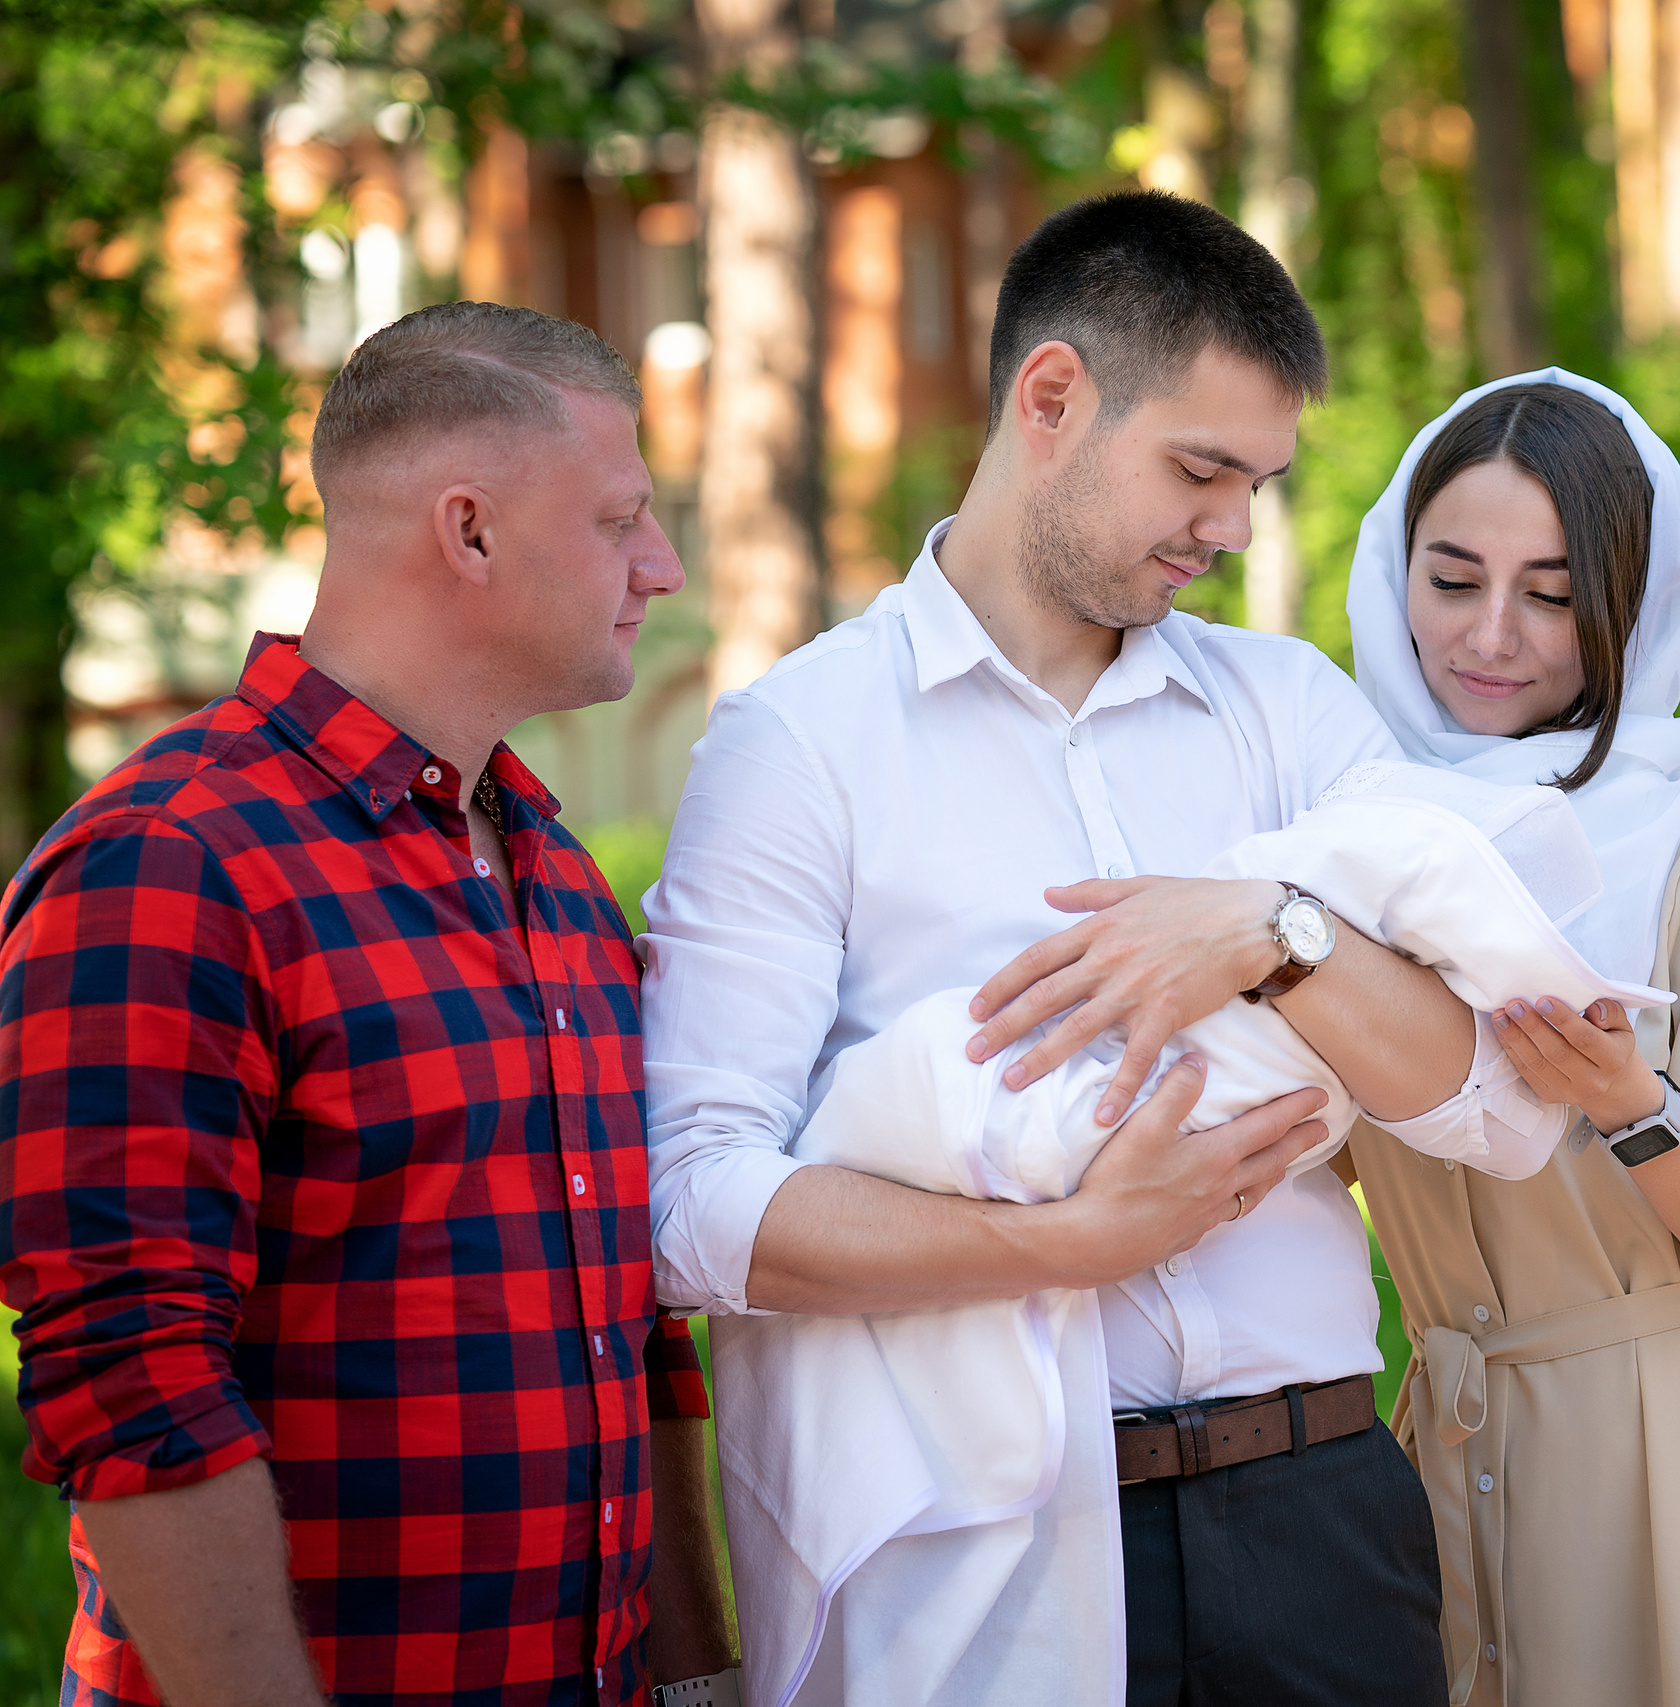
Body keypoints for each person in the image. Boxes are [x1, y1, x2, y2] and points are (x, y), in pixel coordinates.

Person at [644, 191, 1571, 1707]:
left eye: (1258, 483)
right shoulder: (797, 745)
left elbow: (1495, 1106)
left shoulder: (1292, 711)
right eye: (1201, 470)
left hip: (1321, 1509)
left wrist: (1272, 936)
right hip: (981, 1548)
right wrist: (1061, 1248)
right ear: (1053, 399)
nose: (1231, 528)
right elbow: (690, 1204)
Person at [0, 302, 734, 1707]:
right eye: (621, 519)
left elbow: (639, 1342)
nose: (662, 566)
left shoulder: (560, 880)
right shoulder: (168, 865)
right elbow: (131, 1383)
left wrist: (695, 1681)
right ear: (469, 532)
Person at [1338, 371, 1680, 1707]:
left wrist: (1630, 1099)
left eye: (1556, 594)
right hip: (1445, 1445)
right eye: (1453, 580)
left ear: (1627, 606)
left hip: (1674, 1450)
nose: (1494, 636)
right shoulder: (1342, 846)